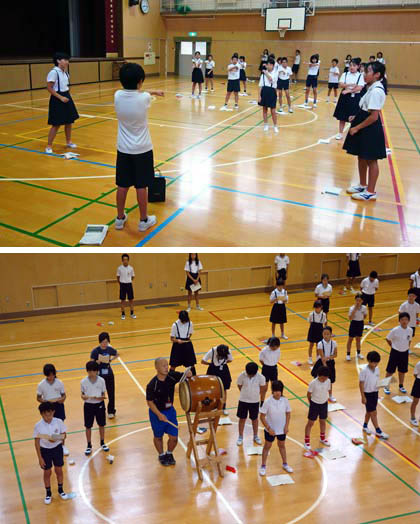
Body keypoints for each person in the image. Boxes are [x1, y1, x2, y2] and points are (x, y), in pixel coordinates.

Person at [114, 62, 164, 232]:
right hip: (142, 149)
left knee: (122, 185)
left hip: (123, 149)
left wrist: (152, 91)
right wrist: (154, 92)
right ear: (140, 81)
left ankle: (119, 219)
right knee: (141, 185)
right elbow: (142, 94)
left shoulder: (117, 96)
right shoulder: (144, 98)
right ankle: (143, 220)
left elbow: (136, 91)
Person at [344, 61, 387, 202]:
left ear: (377, 75)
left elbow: (374, 117)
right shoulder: (370, 87)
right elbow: (365, 107)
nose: (364, 74)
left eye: (367, 71)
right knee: (361, 156)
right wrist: (355, 117)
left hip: (370, 128)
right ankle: (363, 185)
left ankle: (370, 192)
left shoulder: (376, 91)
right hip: (363, 122)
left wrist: (357, 127)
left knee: (371, 159)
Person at [146, 357, 192, 466]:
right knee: (158, 437)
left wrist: (188, 373)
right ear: (157, 368)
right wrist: (159, 414)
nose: (166, 368)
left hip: (170, 411)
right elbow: (150, 402)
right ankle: (161, 455)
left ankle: (169, 453)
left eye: (167, 365)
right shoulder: (152, 384)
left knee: (174, 438)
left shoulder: (171, 376)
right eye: (163, 366)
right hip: (156, 413)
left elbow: (185, 375)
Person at [33, 402, 69, 504]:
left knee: (59, 470)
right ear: (41, 414)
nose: (48, 417)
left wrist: (55, 438)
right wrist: (40, 458)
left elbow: (64, 435)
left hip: (57, 449)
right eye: (45, 415)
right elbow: (36, 442)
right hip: (45, 451)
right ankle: (48, 493)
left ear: (53, 412)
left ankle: (61, 490)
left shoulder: (59, 422)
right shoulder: (38, 426)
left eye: (50, 415)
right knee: (47, 472)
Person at [45, 52, 79, 154]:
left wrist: (67, 95)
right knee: (56, 124)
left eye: (68, 60)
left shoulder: (65, 72)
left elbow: (66, 85)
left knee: (69, 121)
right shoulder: (54, 72)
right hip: (57, 99)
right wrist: (60, 97)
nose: (67, 62)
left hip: (66, 96)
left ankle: (69, 142)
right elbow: (49, 88)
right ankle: (49, 146)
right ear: (58, 61)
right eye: (65, 60)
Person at [259, 380, 292, 476]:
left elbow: (288, 413)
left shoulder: (285, 400)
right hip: (270, 430)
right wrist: (269, 428)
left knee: (282, 446)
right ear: (272, 391)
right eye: (276, 391)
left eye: (279, 391)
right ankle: (263, 466)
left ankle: (285, 464)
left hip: (281, 429)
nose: (278, 393)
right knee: (267, 447)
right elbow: (262, 417)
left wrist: (286, 426)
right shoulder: (267, 402)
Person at [36, 364, 69, 456]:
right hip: (47, 407)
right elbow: (38, 398)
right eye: (49, 375)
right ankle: (49, 444)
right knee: (49, 425)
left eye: (52, 375)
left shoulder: (59, 382)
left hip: (58, 406)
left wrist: (61, 400)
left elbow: (64, 395)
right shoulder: (41, 385)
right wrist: (45, 401)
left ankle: (62, 445)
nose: (51, 377)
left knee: (60, 427)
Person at [81, 361, 109, 456]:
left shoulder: (101, 380)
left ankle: (102, 442)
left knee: (101, 424)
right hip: (88, 405)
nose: (91, 373)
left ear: (97, 371)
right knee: (88, 426)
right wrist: (84, 397)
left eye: (93, 371)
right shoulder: (83, 382)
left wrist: (101, 397)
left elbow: (103, 393)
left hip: (99, 405)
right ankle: (89, 445)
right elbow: (82, 395)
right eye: (89, 371)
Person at [359, 351, 389, 439]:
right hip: (367, 394)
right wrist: (363, 396)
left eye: (377, 363)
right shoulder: (364, 371)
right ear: (369, 361)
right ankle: (378, 431)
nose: (375, 364)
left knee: (369, 411)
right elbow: (361, 384)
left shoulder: (377, 369)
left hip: (375, 393)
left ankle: (365, 426)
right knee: (373, 412)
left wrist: (381, 385)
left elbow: (376, 381)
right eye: (374, 362)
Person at [333, 58, 365, 140]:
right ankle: (340, 133)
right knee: (342, 116)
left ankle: (352, 135)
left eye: (354, 65)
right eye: (350, 65)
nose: (352, 67)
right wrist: (350, 85)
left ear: (358, 66)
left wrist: (348, 91)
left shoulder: (360, 76)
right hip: (344, 98)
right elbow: (341, 84)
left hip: (355, 98)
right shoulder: (345, 74)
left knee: (353, 117)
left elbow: (359, 87)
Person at [236, 362, 266, 446]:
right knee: (242, 419)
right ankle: (240, 436)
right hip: (243, 400)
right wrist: (245, 393)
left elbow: (262, 389)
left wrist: (254, 395)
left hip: (255, 401)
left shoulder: (261, 377)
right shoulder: (242, 375)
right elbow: (239, 385)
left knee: (254, 419)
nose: (250, 376)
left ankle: (255, 436)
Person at [90, 332, 119, 419]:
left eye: (106, 342)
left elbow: (117, 353)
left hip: (109, 374)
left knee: (111, 393)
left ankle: (111, 411)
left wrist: (111, 360)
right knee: (100, 394)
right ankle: (100, 410)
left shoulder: (109, 349)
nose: (104, 344)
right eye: (103, 342)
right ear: (100, 342)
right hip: (99, 375)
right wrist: (96, 362)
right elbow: (91, 362)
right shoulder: (95, 351)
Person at [384, 312, 413, 395]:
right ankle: (386, 386)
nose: (404, 321)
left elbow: (409, 340)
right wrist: (393, 346)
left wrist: (406, 348)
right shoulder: (395, 330)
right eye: (402, 319)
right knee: (390, 370)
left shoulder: (410, 330)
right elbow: (388, 338)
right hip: (395, 352)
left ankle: (401, 385)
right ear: (399, 321)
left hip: (404, 353)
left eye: (406, 319)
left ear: (408, 321)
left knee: (402, 371)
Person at [304, 366, 331, 450]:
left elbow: (328, 390)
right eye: (323, 378)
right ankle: (307, 441)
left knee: (323, 421)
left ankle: (322, 438)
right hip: (314, 404)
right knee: (310, 423)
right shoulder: (313, 383)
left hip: (324, 403)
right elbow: (308, 394)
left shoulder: (328, 381)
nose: (325, 379)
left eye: (326, 378)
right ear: (319, 375)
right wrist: (311, 403)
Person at [202, 344, 233, 415]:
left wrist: (223, 363)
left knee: (224, 389)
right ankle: (213, 406)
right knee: (212, 390)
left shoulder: (228, 351)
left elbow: (230, 360)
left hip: (223, 370)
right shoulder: (212, 351)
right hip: (213, 370)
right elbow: (202, 361)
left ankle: (223, 407)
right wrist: (211, 364)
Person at [311, 326, 337, 402]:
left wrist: (329, 357)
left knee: (330, 380)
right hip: (321, 363)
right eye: (324, 334)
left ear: (331, 334)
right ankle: (314, 393)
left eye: (328, 334)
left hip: (330, 363)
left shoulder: (334, 343)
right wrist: (325, 367)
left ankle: (330, 395)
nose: (326, 336)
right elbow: (322, 357)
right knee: (318, 379)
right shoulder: (320, 344)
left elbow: (335, 354)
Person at [169, 310, 196, 375]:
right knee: (173, 365)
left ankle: (194, 378)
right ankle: (169, 378)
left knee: (191, 365)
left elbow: (190, 333)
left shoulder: (190, 323)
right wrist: (177, 340)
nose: (184, 322)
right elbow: (172, 338)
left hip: (187, 345)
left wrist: (186, 338)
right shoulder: (175, 325)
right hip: (177, 346)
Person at [258, 58, 279, 134]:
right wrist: (259, 96)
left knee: (273, 111)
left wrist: (265, 72)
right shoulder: (262, 75)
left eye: (270, 64)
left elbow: (271, 79)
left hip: (272, 91)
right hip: (264, 91)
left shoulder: (275, 73)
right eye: (267, 64)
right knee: (264, 109)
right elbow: (260, 86)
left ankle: (275, 126)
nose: (268, 66)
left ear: (273, 65)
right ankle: (266, 124)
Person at [259, 337, 281, 403]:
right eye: (273, 347)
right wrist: (266, 365)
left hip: (274, 368)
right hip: (266, 369)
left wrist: (273, 365)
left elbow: (277, 358)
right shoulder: (264, 350)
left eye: (276, 347)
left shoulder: (278, 349)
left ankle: (273, 401)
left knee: (274, 387)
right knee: (264, 388)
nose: (275, 348)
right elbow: (261, 359)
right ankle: (262, 402)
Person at [346, 294, 367, 360]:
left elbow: (365, 316)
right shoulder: (351, 308)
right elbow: (350, 318)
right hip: (354, 323)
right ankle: (348, 354)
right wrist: (355, 309)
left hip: (360, 323)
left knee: (358, 339)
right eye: (357, 300)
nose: (358, 302)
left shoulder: (364, 308)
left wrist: (362, 315)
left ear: (362, 301)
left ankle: (358, 353)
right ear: (355, 300)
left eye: (359, 301)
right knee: (350, 339)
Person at [307, 300, 327, 365]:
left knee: (318, 345)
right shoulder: (311, 314)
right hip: (313, 329)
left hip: (320, 329)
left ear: (321, 307)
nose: (317, 309)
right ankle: (310, 358)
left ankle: (318, 357)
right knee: (311, 344)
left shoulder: (323, 315)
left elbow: (324, 322)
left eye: (318, 307)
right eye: (316, 307)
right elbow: (310, 321)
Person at [117, 253, 136, 319]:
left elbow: (133, 276)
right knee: (122, 300)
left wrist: (128, 281)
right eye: (124, 260)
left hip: (129, 284)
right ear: (122, 260)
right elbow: (118, 277)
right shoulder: (119, 268)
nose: (125, 261)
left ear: (128, 260)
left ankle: (132, 313)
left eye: (126, 260)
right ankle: (123, 314)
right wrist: (121, 283)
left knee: (131, 300)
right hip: (122, 285)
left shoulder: (131, 268)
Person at [410, 360, 420, 426]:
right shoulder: (419, 364)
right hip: (418, 383)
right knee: (415, 401)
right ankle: (412, 417)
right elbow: (415, 374)